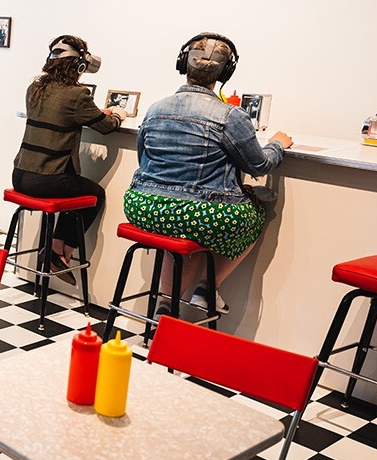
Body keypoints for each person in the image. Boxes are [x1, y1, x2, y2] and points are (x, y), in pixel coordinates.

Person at [124, 32, 293, 315]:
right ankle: (207, 289)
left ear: (183, 65)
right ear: (225, 72)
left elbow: (144, 159)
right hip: (199, 214)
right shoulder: (229, 115)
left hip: (143, 207)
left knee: (183, 226)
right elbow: (259, 166)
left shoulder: (154, 109)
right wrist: (278, 144)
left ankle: (166, 304)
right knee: (250, 215)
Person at [11, 35, 124, 283]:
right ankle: (62, 251)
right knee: (93, 196)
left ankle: (55, 250)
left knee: (74, 188)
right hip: (47, 180)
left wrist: (94, 112)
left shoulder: (35, 88)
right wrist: (118, 115)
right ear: (79, 66)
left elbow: (61, 113)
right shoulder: (76, 94)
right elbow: (106, 127)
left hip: (20, 176)